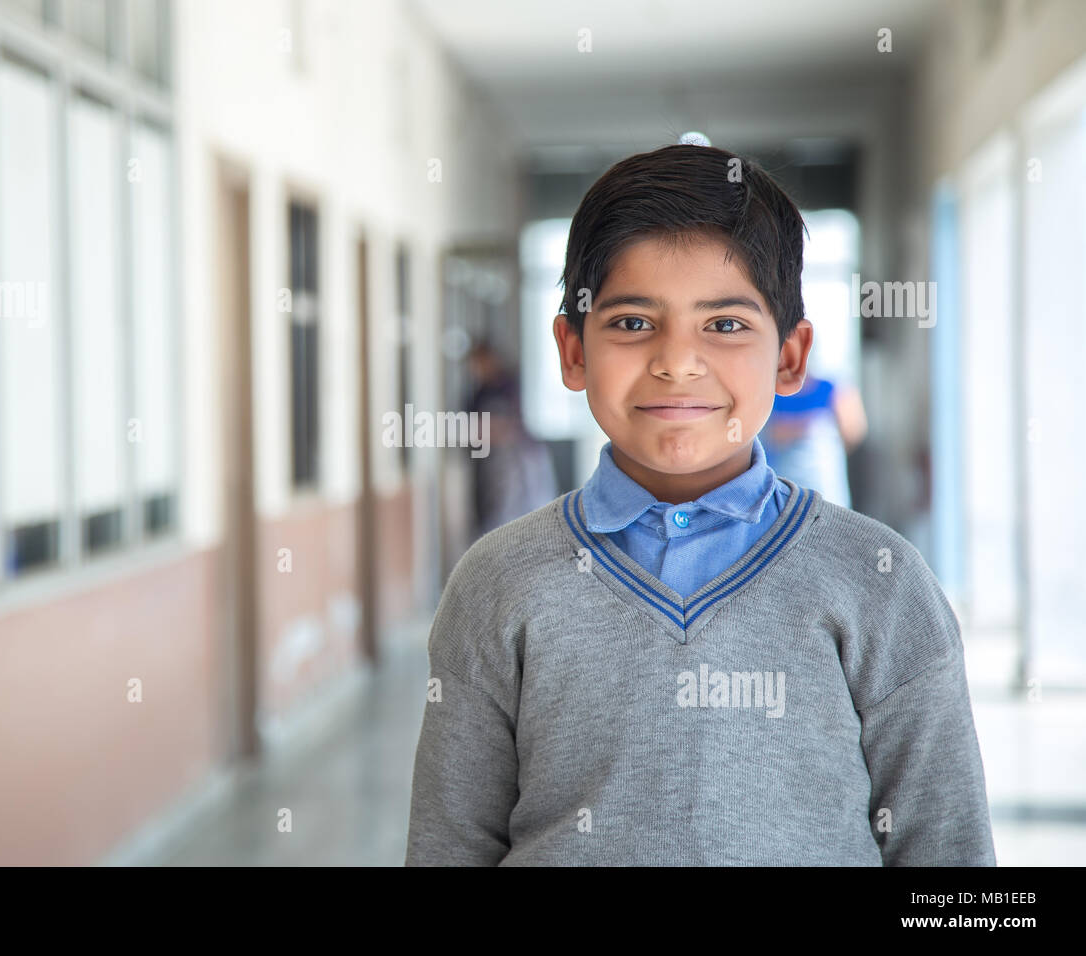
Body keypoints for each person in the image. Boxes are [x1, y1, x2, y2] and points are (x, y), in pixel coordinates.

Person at [405, 144, 995, 865]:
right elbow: (449, 846)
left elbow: (950, 863)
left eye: (723, 325)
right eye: (630, 323)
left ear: (789, 357)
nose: (677, 361)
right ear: (572, 351)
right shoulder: (496, 583)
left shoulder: (881, 582)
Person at [465, 341, 558, 536]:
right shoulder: (479, 394)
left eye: (479, 363)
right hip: (490, 463)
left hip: (521, 458)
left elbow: (513, 426)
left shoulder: (511, 386)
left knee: (528, 508)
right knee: (495, 515)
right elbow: (472, 430)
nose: (476, 369)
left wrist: (495, 430)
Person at [759, 373, 867, 508]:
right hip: (781, 492)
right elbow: (769, 435)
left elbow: (854, 433)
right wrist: (804, 428)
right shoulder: (770, 392)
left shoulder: (835, 391)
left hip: (826, 492)